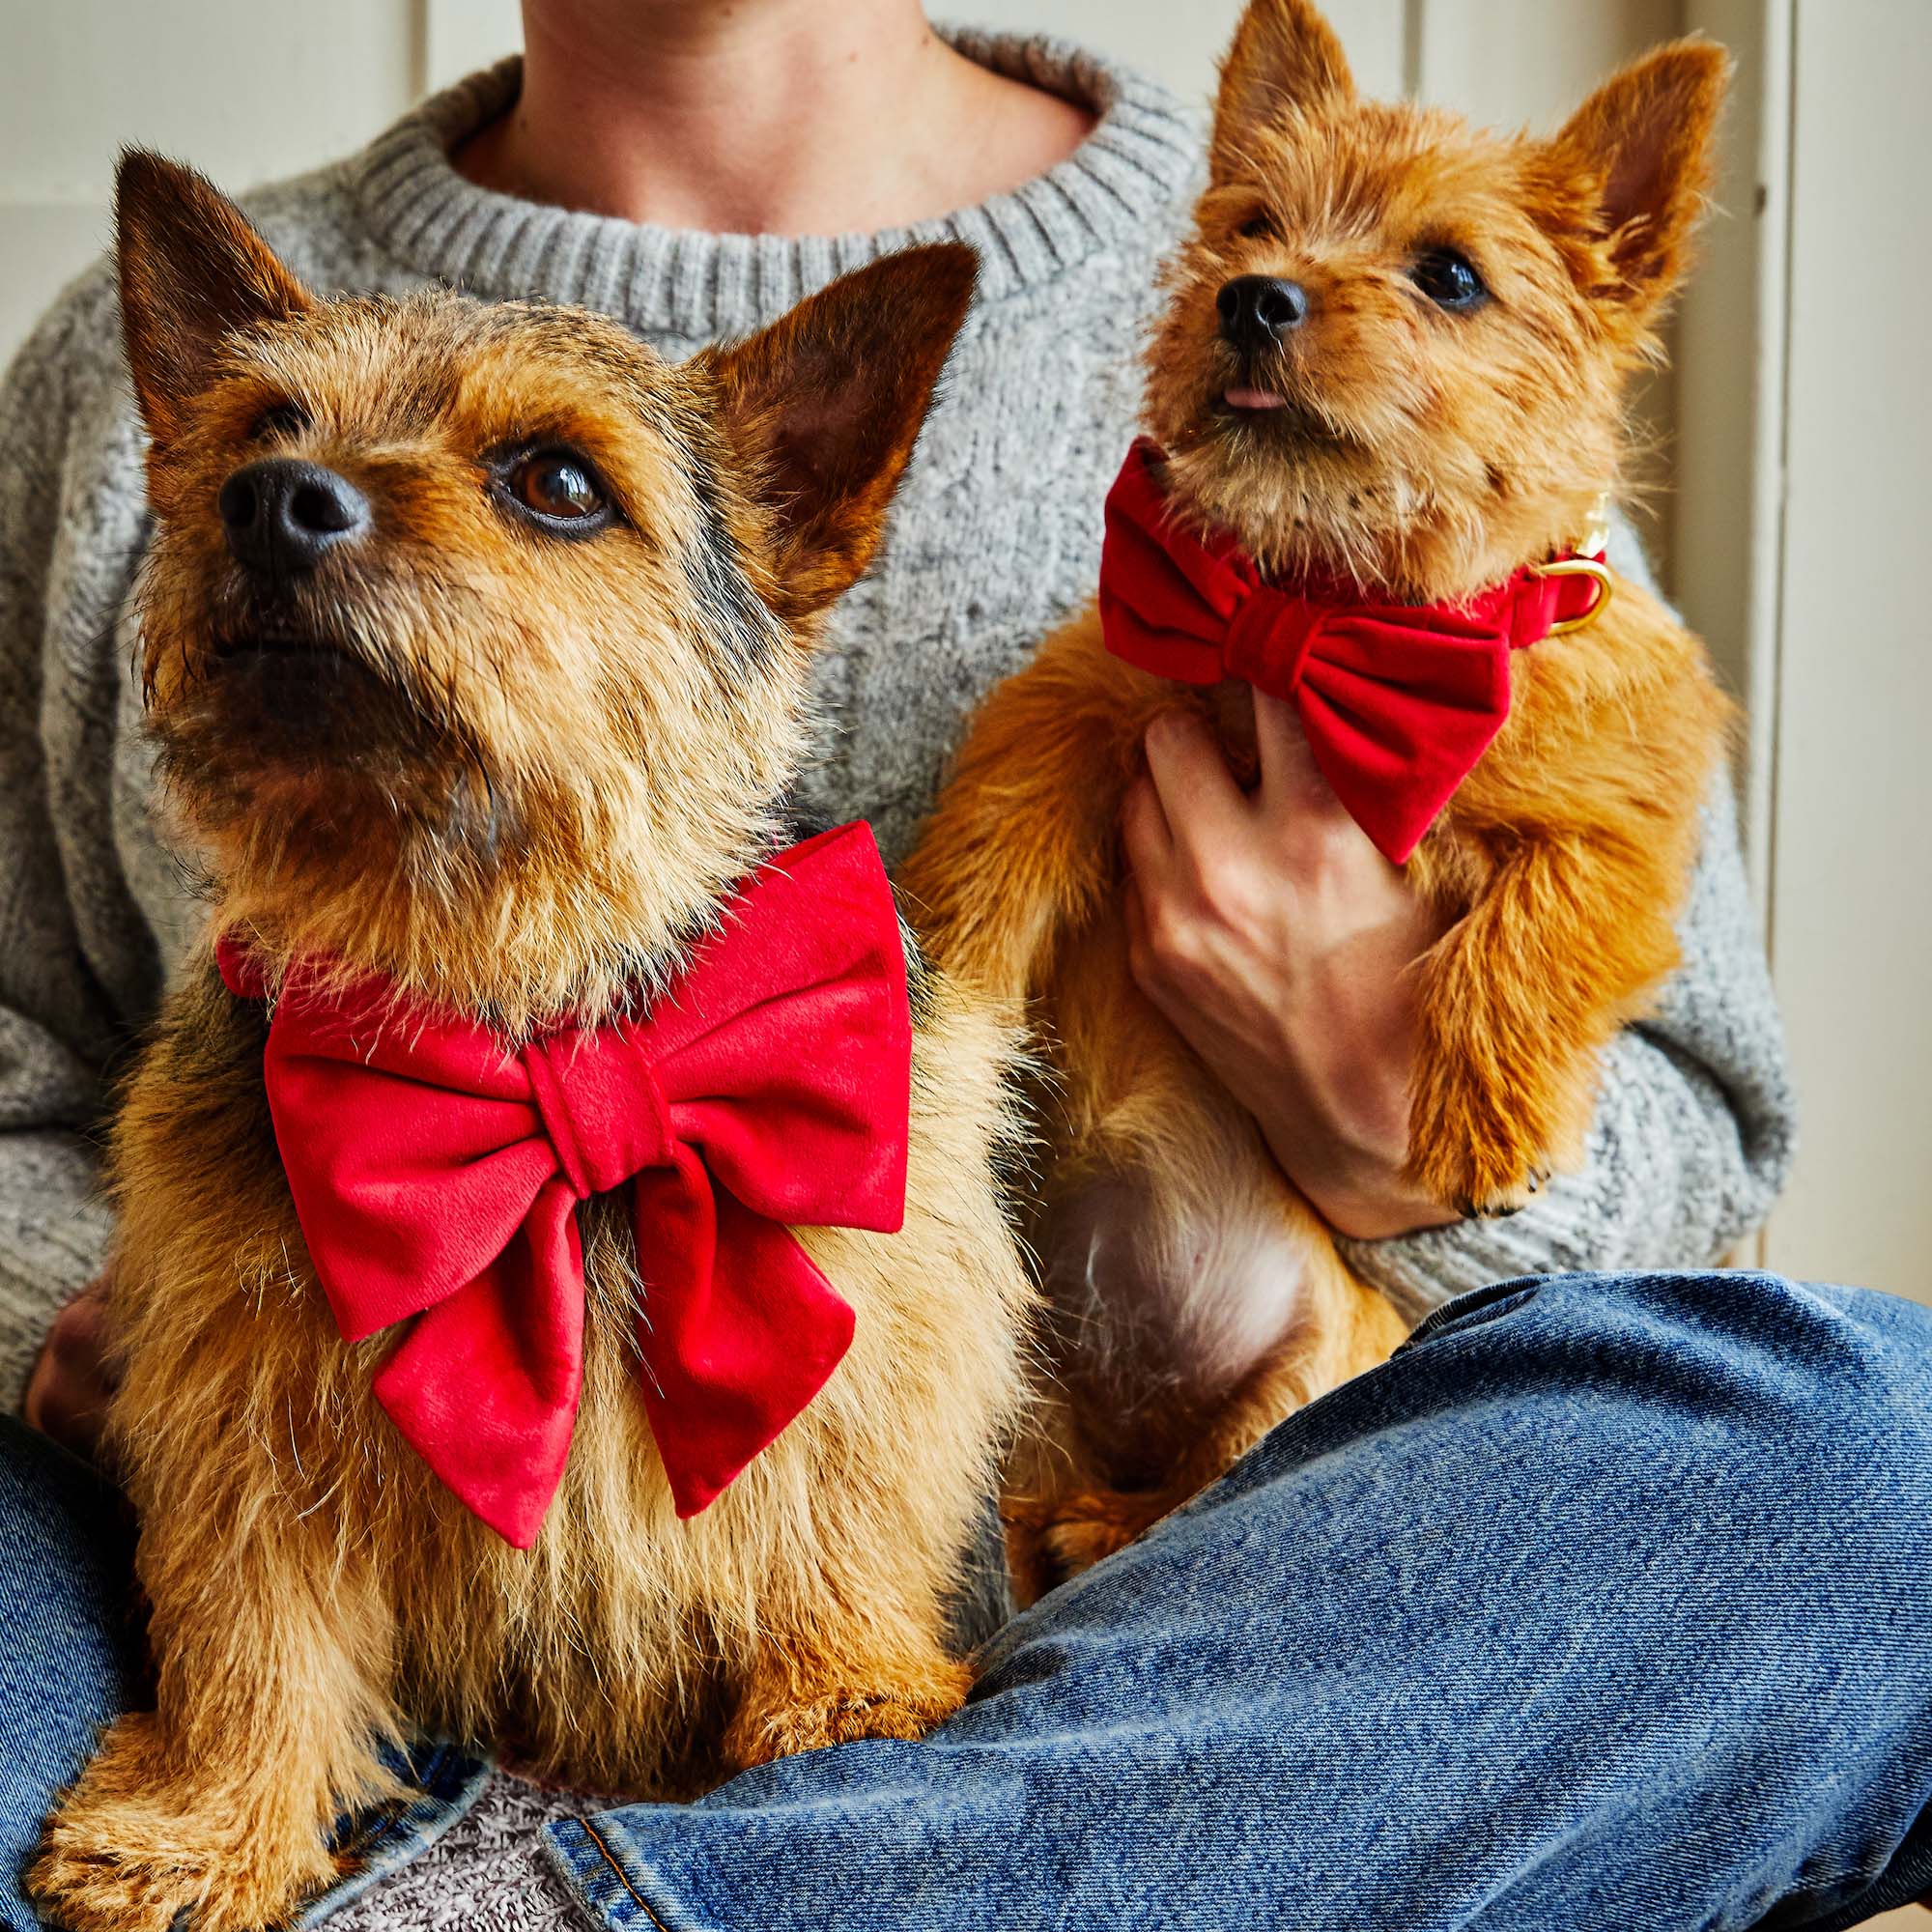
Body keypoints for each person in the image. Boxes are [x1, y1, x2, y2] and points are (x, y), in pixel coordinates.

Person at [0, 4, 1866, 1929]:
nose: (297, 495)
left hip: (1105, 1657)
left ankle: (622, 1895)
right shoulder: (86, 384)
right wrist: (138, 1323)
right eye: (260, 455)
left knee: (1870, 1463)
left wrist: (1416, 1146)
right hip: (266, 1581)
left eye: (549, 483)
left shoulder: (1385, 350)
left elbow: (1699, 1179)